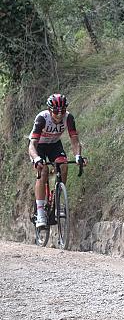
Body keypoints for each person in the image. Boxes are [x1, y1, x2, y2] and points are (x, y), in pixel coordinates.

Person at [28, 94, 85, 228]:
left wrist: (78, 156)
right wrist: (36, 158)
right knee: (44, 170)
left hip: (54, 144)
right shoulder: (42, 118)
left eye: (63, 111)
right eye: (55, 111)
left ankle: (58, 199)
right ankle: (41, 212)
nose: (59, 114)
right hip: (39, 146)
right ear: (49, 110)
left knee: (63, 165)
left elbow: (75, 140)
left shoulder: (69, 118)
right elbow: (32, 145)